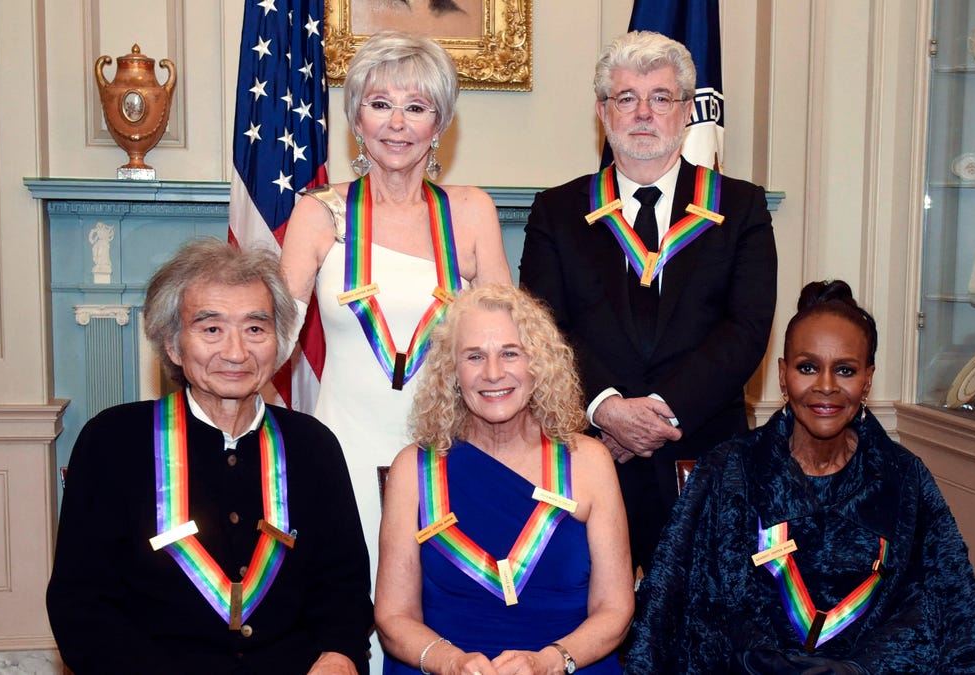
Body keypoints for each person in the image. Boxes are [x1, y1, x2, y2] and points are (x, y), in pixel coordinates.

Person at [627, 280, 975, 674]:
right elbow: (677, 604)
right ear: (783, 375)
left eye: (845, 370)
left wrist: (859, 668)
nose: (826, 387)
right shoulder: (727, 471)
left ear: (867, 379)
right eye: (808, 367)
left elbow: (945, 610)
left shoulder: (904, 478)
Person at [278, 30, 511, 652]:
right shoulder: (319, 213)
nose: (398, 124)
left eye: (417, 106)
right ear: (356, 116)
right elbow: (270, 338)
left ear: (441, 122)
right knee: (346, 610)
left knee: (440, 608)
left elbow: (510, 341)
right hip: (342, 447)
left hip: (447, 445)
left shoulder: (470, 211)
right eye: (381, 104)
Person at [46, 239, 375, 674]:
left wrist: (339, 654)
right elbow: (82, 606)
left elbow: (344, 589)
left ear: (277, 341)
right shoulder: (111, 442)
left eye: (255, 328)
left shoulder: (312, 445)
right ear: (173, 345)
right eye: (211, 329)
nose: (236, 352)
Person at [519, 30, 778, 574]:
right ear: (602, 111)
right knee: (593, 620)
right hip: (591, 454)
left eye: (660, 98)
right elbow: (545, 329)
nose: (643, 113)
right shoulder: (557, 212)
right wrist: (608, 410)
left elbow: (746, 330)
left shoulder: (742, 207)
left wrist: (656, 416)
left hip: (703, 452)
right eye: (626, 98)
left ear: (686, 111)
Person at [376, 284, 633, 674]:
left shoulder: (589, 462)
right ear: (452, 372)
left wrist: (549, 662)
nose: (493, 373)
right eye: (475, 356)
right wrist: (452, 663)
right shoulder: (414, 469)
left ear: (539, 365)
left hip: (567, 665)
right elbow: (394, 618)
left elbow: (615, 610)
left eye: (510, 353)